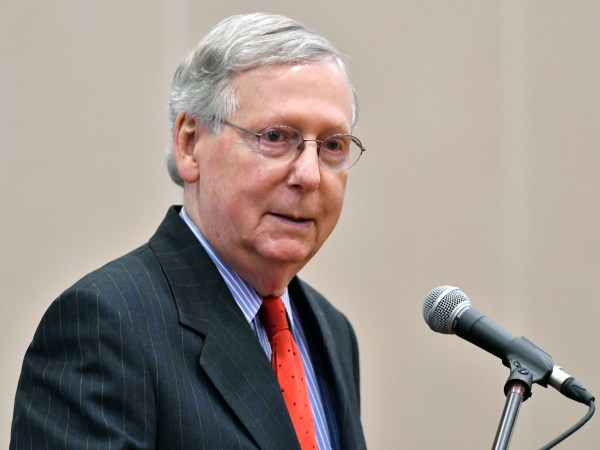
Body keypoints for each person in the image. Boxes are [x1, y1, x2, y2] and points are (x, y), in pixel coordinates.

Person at [10, 12, 367, 450]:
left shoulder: (331, 331)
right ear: (190, 143)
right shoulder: (105, 327)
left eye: (332, 145)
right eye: (276, 136)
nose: (309, 175)